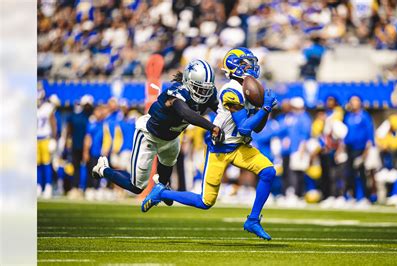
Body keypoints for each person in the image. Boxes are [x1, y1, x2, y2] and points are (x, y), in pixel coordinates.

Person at [141, 47, 278, 240]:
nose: (252, 66)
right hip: (220, 149)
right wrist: (264, 108)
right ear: (235, 67)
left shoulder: (250, 86)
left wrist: (265, 109)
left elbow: (257, 129)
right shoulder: (231, 91)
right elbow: (245, 128)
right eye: (247, 63)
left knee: (268, 171)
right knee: (205, 201)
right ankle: (162, 193)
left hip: (239, 147)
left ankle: (253, 220)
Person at [91, 59, 224, 199]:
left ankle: (162, 190)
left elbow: (221, 111)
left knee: (162, 185)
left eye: (206, 89)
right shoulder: (176, 93)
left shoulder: (208, 94)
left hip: (172, 139)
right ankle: (103, 169)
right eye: (199, 88)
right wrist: (212, 127)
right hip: (149, 136)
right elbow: (186, 114)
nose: (203, 93)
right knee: (136, 187)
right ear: (188, 82)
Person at [343, 95, 375, 207]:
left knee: (361, 173)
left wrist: (367, 151)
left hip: (361, 149)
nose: (353, 104)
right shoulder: (348, 117)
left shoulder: (364, 116)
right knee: (350, 173)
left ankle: (364, 197)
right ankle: (353, 196)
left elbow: (369, 134)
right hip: (350, 149)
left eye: (355, 101)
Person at [37, 88, 58, 199]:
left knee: (46, 164)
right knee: (37, 164)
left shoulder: (47, 108)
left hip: (45, 138)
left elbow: (53, 123)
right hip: (36, 139)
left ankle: (48, 186)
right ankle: (39, 186)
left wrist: (54, 138)